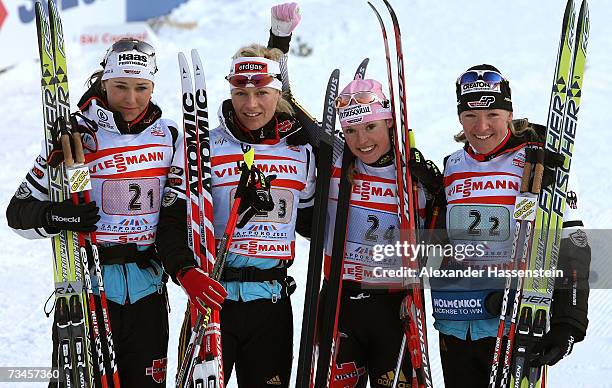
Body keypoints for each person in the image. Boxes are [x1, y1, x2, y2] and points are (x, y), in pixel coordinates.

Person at [5, 38, 207, 386]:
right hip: (89, 291)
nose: (131, 99)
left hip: (148, 292)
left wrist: (183, 268)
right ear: (104, 82)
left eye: (141, 87)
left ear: (153, 86)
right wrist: (58, 215)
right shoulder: (73, 134)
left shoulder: (170, 135)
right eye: (120, 87)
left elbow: (174, 218)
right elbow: (17, 213)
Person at [162, 21, 316, 388]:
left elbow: (312, 223)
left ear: (278, 94)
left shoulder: (300, 153)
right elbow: (168, 221)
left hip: (272, 306)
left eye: (262, 93)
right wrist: (186, 273)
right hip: (213, 298)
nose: (250, 104)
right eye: (240, 92)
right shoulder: (202, 145)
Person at [429, 64, 591, 387]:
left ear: (509, 112)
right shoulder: (451, 167)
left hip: (513, 330)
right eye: (471, 115)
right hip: (454, 327)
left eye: (493, 114)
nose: (482, 126)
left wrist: (566, 323)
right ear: (460, 118)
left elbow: (574, 243)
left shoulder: (537, 162)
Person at [317, 78, 441, 387]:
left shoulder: (415, 177)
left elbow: (441, 247)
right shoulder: (336, 163)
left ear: (388, 121)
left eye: (370, 127)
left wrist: (438, 191)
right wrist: (279, 40)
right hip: (340, 303)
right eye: (351, 131)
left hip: (394, 307)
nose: (361, 140)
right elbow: (283, 111)